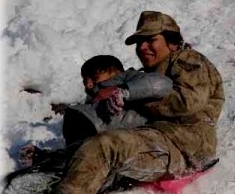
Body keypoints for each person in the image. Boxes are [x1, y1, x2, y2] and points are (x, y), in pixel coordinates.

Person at [14, 11, 224, 194]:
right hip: (157, 141)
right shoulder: (150, 74)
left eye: (151, 40)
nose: (143, 47)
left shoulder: (187, 60)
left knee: (107, 146)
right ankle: (53, 169)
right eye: (139, 42)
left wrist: (133, 96)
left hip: (183, 146)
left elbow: (188, 101)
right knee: (98, 142)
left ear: (172, 42)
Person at [17, 56, 174, 169]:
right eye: (84, 80)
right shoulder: (92, 99)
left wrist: (124, 91)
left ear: (117, 72)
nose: (88, 84)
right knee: (79, 147)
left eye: (93, 77)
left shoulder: (127, 77)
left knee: (81, 138)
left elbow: (162, 83)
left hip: (124, 136)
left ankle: (54, 161)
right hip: (102, 135)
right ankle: (54, 161)